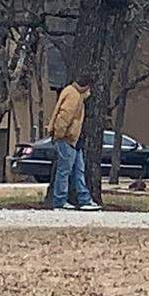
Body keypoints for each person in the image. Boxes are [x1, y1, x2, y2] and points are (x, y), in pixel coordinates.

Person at [46, 75, 101, 211]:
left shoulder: (71, 92)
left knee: (78, 170)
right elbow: (64, 117)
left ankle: (84, 199)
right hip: (67, 139)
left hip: (74, 141)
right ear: (86, 86)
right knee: (65, 171)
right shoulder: (74, 96)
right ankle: (59, 201)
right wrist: (60, 135)